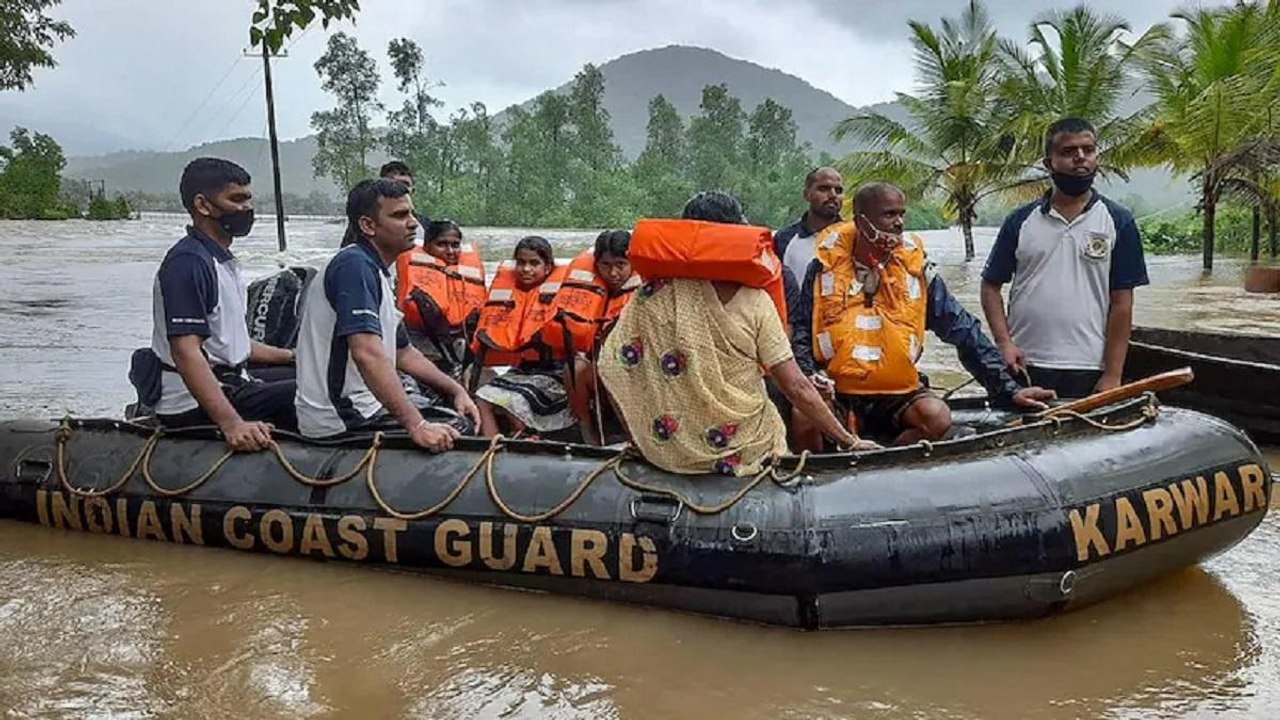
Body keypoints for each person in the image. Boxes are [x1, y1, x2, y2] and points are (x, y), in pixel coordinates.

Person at [598, 191, 870, 477]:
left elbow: (613, 366)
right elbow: (795, 386)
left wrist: (641, 436)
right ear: (736, 233)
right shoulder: (754, 300)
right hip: (748, 449)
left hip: (669, 450)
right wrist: (849, 441)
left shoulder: (651, 295)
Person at [793, 183, 1055, 445]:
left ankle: (890, 460)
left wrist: (1008, 389)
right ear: (861, 222)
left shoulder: (917, 272)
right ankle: (818, 465)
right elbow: (803, 330)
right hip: (838, 389)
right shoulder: (823, 270)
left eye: (901, 214)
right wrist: (810, 376)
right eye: (889, 215)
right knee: (803, 415)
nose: (899, 223)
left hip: (898, 393)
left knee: (936, 416)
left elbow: (963, 330)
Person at [293, 179, 480, 450]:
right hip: (343, 417)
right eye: (400, 215)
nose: (413, 223)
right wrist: (417, 425)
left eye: (412, 213)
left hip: (363, 406)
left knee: (452, 409)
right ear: (368, 225)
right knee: (458, 429)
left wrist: (456, 389)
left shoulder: (377, 270)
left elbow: (403, 352)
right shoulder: (354, 266)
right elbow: (367, 353)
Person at [981, 117, 1150, 398]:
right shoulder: (1020, 221)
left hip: (1088, 365)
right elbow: (990, 286)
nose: (1080, 157)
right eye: (1068, 151)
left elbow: (1122, 304)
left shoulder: (1118, 221)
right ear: (1049, 163)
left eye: (1088, 150)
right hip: (1024, 363)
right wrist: (1004, 343)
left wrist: (1113, 374)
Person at [138, 157, 297, 452]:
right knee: (322, 390)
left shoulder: (220, 260)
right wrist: (232, 424)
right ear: (203, 205)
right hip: (190, 402)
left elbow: (231, 343)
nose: (246, 208)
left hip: (235, 379)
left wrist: (294, 356)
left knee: (317, 376)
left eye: (248, 199)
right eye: (236, 199)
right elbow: (186, 352)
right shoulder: (188, 263)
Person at [472, 236, 577, 438]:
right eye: (521, 263)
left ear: (548, 267)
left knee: (515, 402)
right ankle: (491, 444)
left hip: (555, 372)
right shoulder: (509, 294)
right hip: (522, 370)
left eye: (534, 263)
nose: (526, 269)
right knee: (482, 398)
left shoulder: (563, 296)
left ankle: (525, 440)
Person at [566, 229, 641, 445]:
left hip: (635, 373)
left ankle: (634, 438)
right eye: (605, 265)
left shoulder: (644, 294)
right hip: (598, 372)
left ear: (632, 263)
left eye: (620, 265)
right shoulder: (586, 291)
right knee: (574, 367)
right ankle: (587, 431)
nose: (613, 273)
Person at [394, 218, 486, 376]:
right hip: (418, 338)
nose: (450, 251)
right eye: (442, 244)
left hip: (461, 340)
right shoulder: (407, 264)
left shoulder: (469, 271)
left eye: (455, 245)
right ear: (427, 246)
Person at [774, 167, 845, 286]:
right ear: (806, 195)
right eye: (824, 189)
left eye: (838, 190)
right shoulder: (784, 239)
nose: (833, 195)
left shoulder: (854, 238)